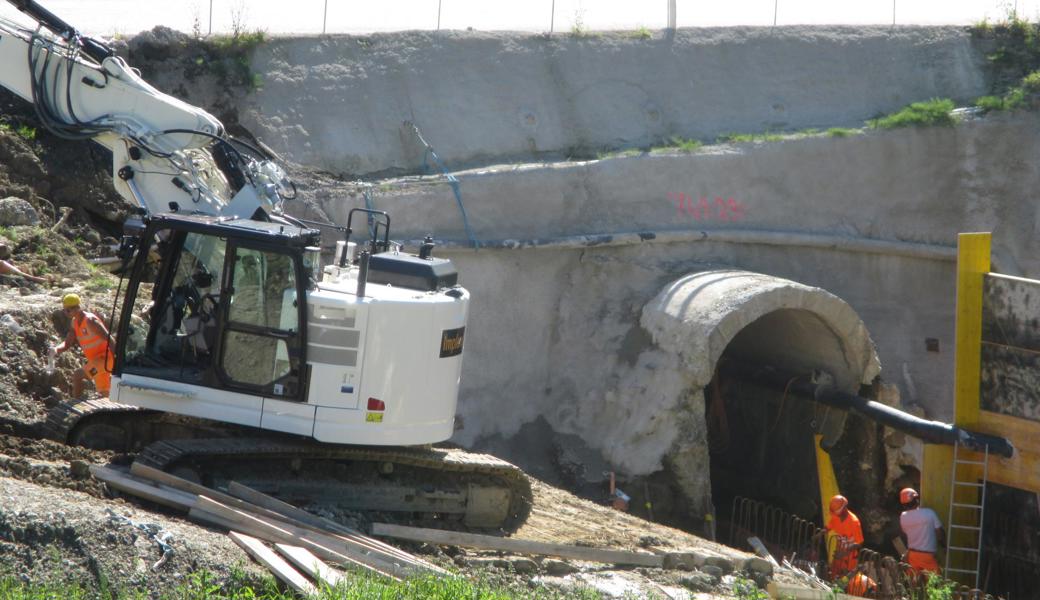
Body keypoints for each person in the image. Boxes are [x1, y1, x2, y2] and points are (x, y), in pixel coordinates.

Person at [53, 293, 115, 398]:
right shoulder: (74, 322)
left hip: (105, 360)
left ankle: (75, 404)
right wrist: (56, 349)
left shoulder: (90, 321)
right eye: (64, 310)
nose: (66, 313)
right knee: (105, 393)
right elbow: (67, 344)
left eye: (68, 310)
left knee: (78, 375)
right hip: (96, 362)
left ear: (77, 308)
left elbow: (110, 339)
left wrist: (117, 361)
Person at [898, 487, 945, 574]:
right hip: (927, 556)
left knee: (914, 583)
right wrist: (944, 546)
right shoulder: (929, 513)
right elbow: (940, 533)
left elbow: (906, 532)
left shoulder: (903, 517)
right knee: (934, 583)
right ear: (916, 500)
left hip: (912, 555)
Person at [827, 494, 865, 578]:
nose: (835, 515)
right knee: (833, 577)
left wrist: (844, 553)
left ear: (843, 509)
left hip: (850, 558)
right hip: (838, 554)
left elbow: (860, 543)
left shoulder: (854, 522)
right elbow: (828, 527)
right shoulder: (836, 517)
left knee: (845, 580)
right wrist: (819, 534)